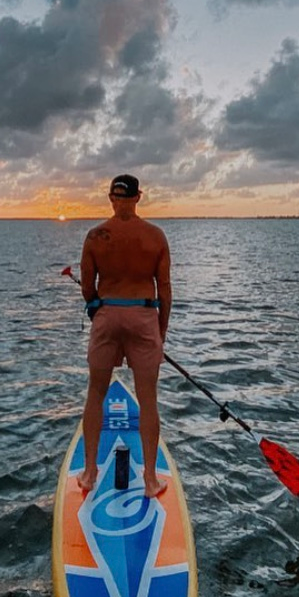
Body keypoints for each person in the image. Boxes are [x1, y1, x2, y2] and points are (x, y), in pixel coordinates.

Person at [77, 174, 172, 498]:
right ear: (138, 197)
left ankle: (89, 474)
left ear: (111, 198)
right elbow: (166, 289)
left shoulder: (94, 236)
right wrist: (161, 329)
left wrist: (98, 307)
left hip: (108, 315)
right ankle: (149, 479)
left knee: (95, 393)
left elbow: (88, 289)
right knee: (147, 400)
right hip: (144, 316)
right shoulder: (155, 237)